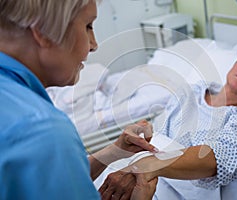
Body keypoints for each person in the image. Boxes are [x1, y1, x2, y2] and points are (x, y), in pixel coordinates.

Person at [0, 0, 158, 199]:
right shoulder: (40, 130)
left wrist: (115, 151)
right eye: (87, 26)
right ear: (42, 30)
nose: (94, 45)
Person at [99, 42, 237, 199]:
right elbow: (162, 132)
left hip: (170, 188)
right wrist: (147, 132)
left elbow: (219, 160)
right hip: (133, 171)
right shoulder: (193, 90)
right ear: (235, 63)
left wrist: (146, 168)